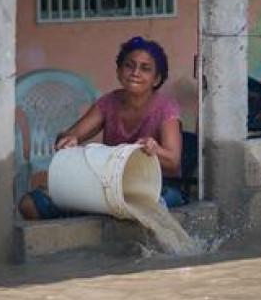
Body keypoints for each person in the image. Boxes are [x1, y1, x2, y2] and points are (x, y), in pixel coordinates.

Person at [18, 36, 185, 220]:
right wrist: (69, 140)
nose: (135, 73)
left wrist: (155, 150)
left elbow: (173, 161)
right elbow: (69, 136)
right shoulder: (108, 103)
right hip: (108, 184)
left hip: (154, 185)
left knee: (145, 206)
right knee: (30, 204)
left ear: (156, 79)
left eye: (145, 68)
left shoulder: (166, 107)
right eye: (129, 65)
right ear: (119, 72)